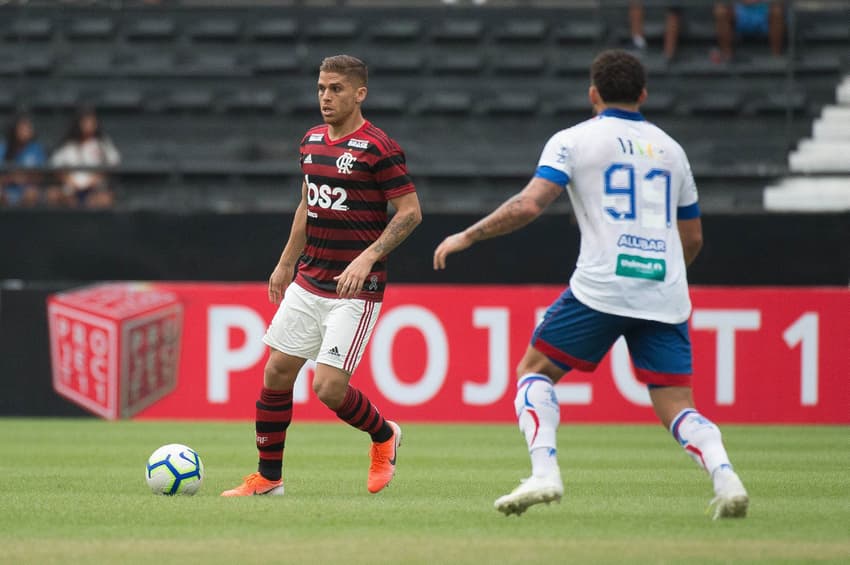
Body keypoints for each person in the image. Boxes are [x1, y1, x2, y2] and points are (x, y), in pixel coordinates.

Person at [433, 49, 748, 519]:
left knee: (534, 371)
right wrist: (660, 277)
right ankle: (727, 480)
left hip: (601, 286)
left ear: (592, 93)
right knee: (677, 403)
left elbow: (529, 204)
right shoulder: (672, 150)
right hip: (664, 290)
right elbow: (693, 237)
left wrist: (468, 234)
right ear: (643, 94)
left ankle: (545, 473)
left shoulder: (574, 140)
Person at [222, 54, 422, 497]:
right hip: (310, 279)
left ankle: (384, 434)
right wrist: (285, 261)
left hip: (356, 289)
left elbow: (410, 213)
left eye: (335, 89)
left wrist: (368, 257)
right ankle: (269, 479)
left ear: (359, 93)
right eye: (321, 89)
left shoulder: (379, 147)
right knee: (276, 372)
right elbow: (308, 204)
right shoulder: (311, 140)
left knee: (329, 388)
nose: (326, 97)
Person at [50, 106, 121, 208]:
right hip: (71, 188)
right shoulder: (69, 144)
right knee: (54, 195)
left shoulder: (102, 142)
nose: (89, 125)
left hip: (96, 188)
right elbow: (54, 165)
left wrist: (96, 178)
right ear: (79, 123)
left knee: (103, 199)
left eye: (91, 122)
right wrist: (68, 179)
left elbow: (114, 162)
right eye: (85, 122)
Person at [0, 112, 49, 207]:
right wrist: (12, 178)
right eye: (22, 129)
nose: (26, 131)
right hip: (7, 189)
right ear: (15, 130)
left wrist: (24, 178)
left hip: (28, 189)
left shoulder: (36, 149)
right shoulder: (3, 148)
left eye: (28, 129)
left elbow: (41, 176)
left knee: (31, 193)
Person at [712, 0, 785, 62]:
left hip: (764, 11)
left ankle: (776, 56)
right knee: (720, 11)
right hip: (738, 11)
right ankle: (727, 54)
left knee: (777, 10)